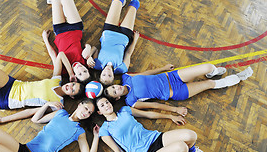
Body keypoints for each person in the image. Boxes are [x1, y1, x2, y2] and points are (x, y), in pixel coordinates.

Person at [96, 97, 206, 152]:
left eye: (107, 102)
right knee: (181, 146)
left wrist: (170, 116)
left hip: (155, 138)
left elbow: (148, 115)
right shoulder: (105, 129)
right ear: (99, 112)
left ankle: (191, 151)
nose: (106, 105)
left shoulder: (125, 110)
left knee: (191, 135)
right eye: (102, 105)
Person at [104, 64, 253, 115]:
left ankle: (212, 72)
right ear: (117, 98)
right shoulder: (131, 101)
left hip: (172, 76)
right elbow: (154, 106)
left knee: (208, 68)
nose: (116, 88)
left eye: (113, 87)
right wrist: (175, 111)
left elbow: (146, 74)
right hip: (177, 92)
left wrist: (163, 68)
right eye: (115, 91)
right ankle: (239, 77)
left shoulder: (126, 78)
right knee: (209, 84)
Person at [85, 0, 141, 86]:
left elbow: (95, 48)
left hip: (109, 31)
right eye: (109, 75)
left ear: (100, 74)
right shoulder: (122, 68)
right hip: (124, 35)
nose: (107, 72)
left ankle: (121, 3)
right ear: (113, 77)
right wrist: (135, 40)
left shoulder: (97, 65)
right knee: (135, 4)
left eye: (104, 75)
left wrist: (89, 56)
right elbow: (128, 53)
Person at [43, 0, 97, 83]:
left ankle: (53, 0)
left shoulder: (63, 70)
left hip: (60, 30)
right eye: (85, 71)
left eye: (80, 73)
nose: (81, 69)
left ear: (75, 77)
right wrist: (88, 50)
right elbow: (92, 47)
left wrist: (45, 39)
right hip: (76, 28)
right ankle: (63, 6)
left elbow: (54, 54)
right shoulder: (85, 62)